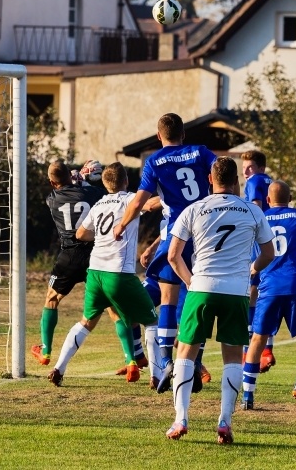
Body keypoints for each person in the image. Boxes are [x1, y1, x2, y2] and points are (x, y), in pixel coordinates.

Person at [165, 157, 275, 444]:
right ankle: (224, 422)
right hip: (236, 293)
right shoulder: (252, 211)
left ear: (210, 180)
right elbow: (268, 253)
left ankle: (181, 419)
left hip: (201, 287)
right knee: (232, 357)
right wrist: (251, 270)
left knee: (185, 354)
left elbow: (173, 256)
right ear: (237, 180)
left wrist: (191, 282)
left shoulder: (194, 209)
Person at [112, 112, 217, 393]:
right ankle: (195, 362)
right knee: (198, 300)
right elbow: (221, 177)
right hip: (206, 233)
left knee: (168, 298)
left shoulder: (155, 162)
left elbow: (138, 203)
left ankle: (167, 361)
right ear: (183, 134)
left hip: (177, 235)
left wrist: (121, 225)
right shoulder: (201, 152)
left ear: (159, 136)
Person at [47, 162, 158, 386]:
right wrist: (170, 197)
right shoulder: (130, 199)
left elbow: (80, 233)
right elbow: (153, 203)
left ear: (105, 184)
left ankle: (59, 367)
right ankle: (156, 376)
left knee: (86, 322)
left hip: (96, 272)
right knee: (152, 321)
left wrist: (99, 238)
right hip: (119, 274)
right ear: (126, 181)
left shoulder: (98, 205)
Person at [31, 160, 137, 370]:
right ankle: (130, 359)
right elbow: (103, 193)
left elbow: (65, 187)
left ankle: (46, 351)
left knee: (51, 299)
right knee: (113, 307)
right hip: (94, 256)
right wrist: (85, 181)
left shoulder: (52, 199)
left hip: (69, 256)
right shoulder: (93, 195)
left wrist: (75, 178)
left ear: (52, 183)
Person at [242, 181, 296, 411]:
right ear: (290, 199)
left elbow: (253, 257)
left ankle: (247, 397)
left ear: (268, 200)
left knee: (257, 341)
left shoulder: (259, 217)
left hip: (269, 286)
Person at [241, 150, 276, 372]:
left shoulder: (254, 181)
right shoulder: (272, 182)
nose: (246, 172)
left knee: (250, 295)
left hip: (257, 244)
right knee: (263, 294)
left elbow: (255, 207)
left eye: (250, 167)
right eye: (244, 168)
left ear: (260, 168)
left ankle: (251, 351)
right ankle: (267, 348)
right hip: (272, 244)